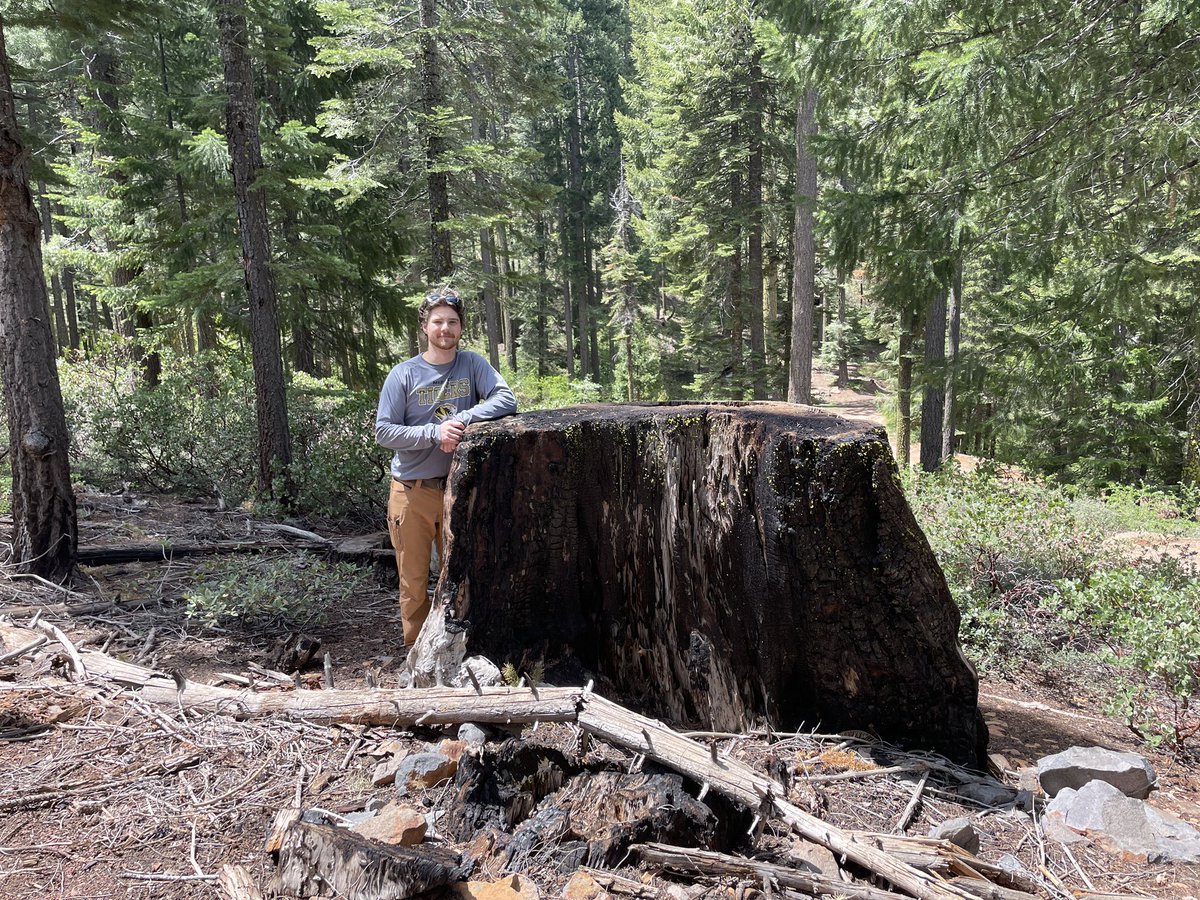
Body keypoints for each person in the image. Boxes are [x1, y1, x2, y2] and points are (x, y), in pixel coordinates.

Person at [375, 287, 517, 646]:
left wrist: (464, 418)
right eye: (438, 321)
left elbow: (506, 398)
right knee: (415, 581)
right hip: (412, 492)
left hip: (460, 491)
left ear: (460, 327)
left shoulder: (471, 365)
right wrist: (433, 433)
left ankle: (463, 650)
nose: (445, 328)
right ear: (425, 326)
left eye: (452, 322)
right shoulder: (403, 375)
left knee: (465, 575)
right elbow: (384, 431)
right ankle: (415, 657)